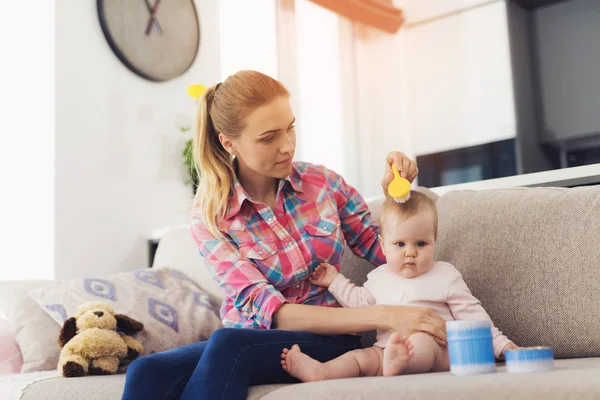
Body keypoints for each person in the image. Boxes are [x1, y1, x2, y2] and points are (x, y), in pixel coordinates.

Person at [121, 70, 447, 400]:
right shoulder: (211, 217)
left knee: (229, 344)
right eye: (268, 138)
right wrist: (384, 315)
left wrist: (397, 198)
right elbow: (272, 313)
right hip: (250, 337)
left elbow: (387, 254)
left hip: (326, 339)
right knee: (146, 371)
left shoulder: (324, 185)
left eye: (290, 128)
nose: (287, 146)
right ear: (228, 142)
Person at [280, 191, 518, 381]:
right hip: (385, 349)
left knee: (421, 343)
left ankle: (402, 364)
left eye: (421, 243)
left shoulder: (445, 275)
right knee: (359, 358)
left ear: (435, 242)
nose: (410, 252)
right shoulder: (378, 277)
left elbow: (474, 316)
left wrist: (503, 346)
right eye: (400, 244)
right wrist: (334, 281)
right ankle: (322, 372)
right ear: (383, 246)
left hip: (438, 349)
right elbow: (359, 304)